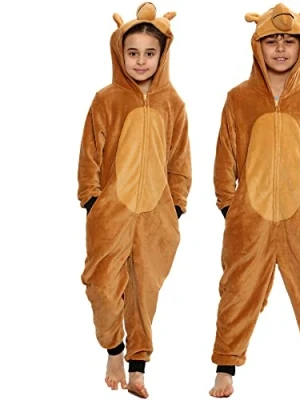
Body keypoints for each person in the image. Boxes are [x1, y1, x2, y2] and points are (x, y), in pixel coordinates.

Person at [209, 3, 300, 397]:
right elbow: (225, 156)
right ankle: (225, 368)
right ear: (257, 46)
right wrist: (229, 205)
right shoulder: (238, 98)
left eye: (289, 41)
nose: (280, 49)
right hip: (249, 216)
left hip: (299, 217)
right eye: (271, 41)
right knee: (237, 291)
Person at [77, 2, 191, 397]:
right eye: (133, 52)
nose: (141, 61)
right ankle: (115, 348)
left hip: (157, 215)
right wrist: (91, 200)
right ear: (119, 53)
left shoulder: (173, 103)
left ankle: (139, 365)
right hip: (111, 211)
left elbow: (180, 158)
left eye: (149, 53)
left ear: (162, 55)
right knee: (102, 286)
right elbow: (89, 154)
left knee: (145, 291)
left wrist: (177, 204)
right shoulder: (106, 99)